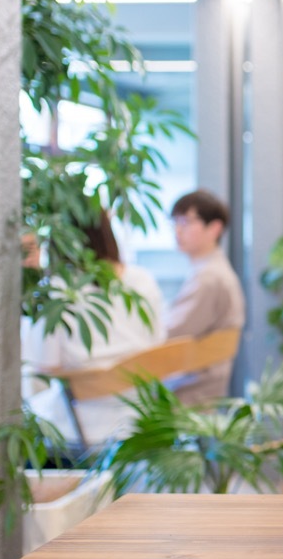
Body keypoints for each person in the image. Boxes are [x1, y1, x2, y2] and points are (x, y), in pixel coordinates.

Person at [21, 211, 167, 445]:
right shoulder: (143, 280)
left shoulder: (59, 290)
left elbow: (45, 364)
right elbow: (158, 343)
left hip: (79, 423)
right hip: (140, 415)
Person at [166, 189, 245, 403]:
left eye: (186, 222)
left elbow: (169, 334)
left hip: (190, 393)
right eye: (175, 222)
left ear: (215, 228)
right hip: (196, 390)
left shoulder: (209, 278)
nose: (177, 230)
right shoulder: (209, 271)